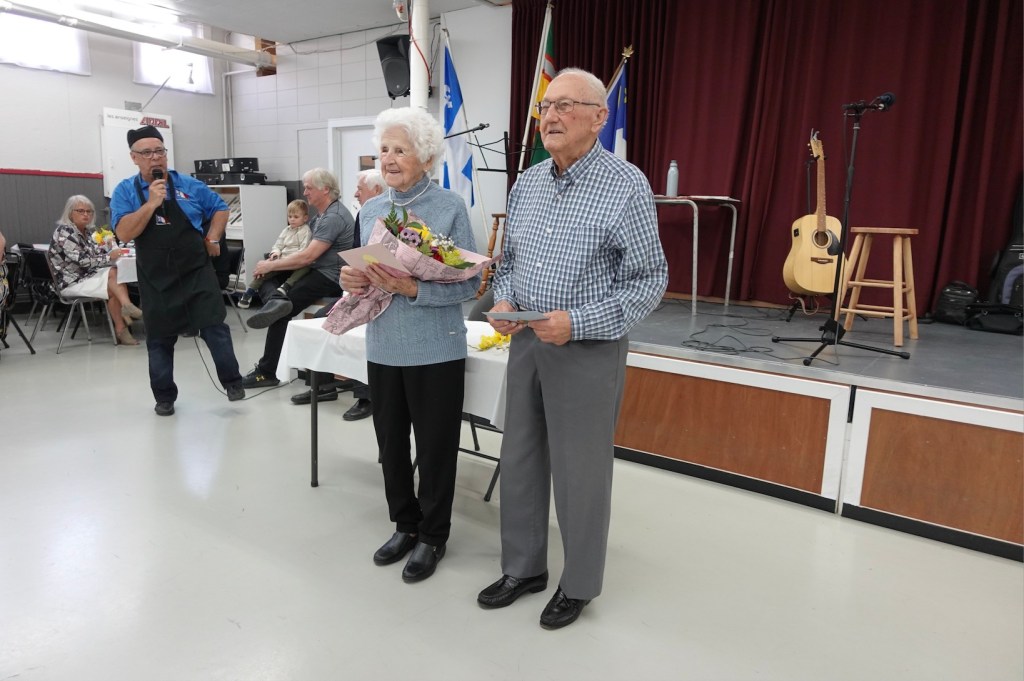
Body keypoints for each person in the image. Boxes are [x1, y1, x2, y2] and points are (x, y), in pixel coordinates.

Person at [477, 68, 668, 629]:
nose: (551, 116)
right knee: (519, 458)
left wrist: (578, 322)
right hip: (526, 343)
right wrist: (505, 299)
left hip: (587, 349)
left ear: (599, 117)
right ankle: (523, 568)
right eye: (545, 106)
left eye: (565, 105)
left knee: (580, 472)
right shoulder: (528, 183)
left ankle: (579, 583)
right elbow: (510, 263)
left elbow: (649, 279)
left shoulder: (625, 185)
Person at [340, 107, 480, 582]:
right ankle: (405, 524)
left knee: (436, 448)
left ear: (426, 158)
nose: (389, 159)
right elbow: (361, 273)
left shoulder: (449, 207)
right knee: (391, 445)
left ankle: (433, 535)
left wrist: (414, 289)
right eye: (384, 150)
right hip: (383, 345)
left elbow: (468, 285)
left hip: (436, 348)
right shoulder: (371, 210)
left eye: (400, 150)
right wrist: (350, 279)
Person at [111, 125, 246, 416]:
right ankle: (164, 397)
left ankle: (233, 382)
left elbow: (220, 208)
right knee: (159, 339)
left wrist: (213, 237)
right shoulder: (125, 191)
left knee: (215, 327)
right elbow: (123, 232)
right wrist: (151, 204)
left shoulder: (189, 184)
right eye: (147, 153)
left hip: (195, 271)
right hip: (156, 277)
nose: (155, 158)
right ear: (134, 158)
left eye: (160, 151)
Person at [240, 168, 354, 387]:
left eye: (309, 188)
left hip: (329, 276)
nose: (305, 192)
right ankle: (276, 300)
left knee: (280, 312)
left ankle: (266, 372)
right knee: (266, 278)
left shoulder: (333, 217)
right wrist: (273, 261)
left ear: (325, 189)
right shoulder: (321, 216)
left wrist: (271, 264)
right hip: (314, 269)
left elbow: (308, 256)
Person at [289, 168, 387, 421]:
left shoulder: (390, 216)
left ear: (377, 190)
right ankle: (323, 387)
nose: (355, 194)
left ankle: (366, 397)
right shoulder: (362, 215)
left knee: (365, 330)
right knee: (323, 319)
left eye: (360, 189)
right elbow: (355, 255)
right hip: (360, 289)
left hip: (387, 294)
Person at [48, 195, 143, 346]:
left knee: (114, 279)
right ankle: (125, 313)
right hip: (71, 282)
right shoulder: (65, 232)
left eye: (89, 211)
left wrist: (109, 246)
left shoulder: (86, 232)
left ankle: (123, 323)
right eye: (80, 211)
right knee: (113, 276)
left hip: (86, 277)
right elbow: (83, 261)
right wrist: (109, 256)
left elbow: (96, 254)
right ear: (70, 213)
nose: (86, 214)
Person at [237, 199, 312, 309]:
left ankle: (286, 286)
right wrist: (275, 253)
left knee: (306, 267)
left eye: (296, 217)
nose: (292, 219)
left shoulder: (306, 231)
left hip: (295, 260)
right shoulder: (286, 230)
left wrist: (289, 259)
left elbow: (303, 250)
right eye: (290, 216)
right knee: (263, 270)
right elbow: (278, 244)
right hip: (281, 259)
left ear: (305, 218)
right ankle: (249, 292)